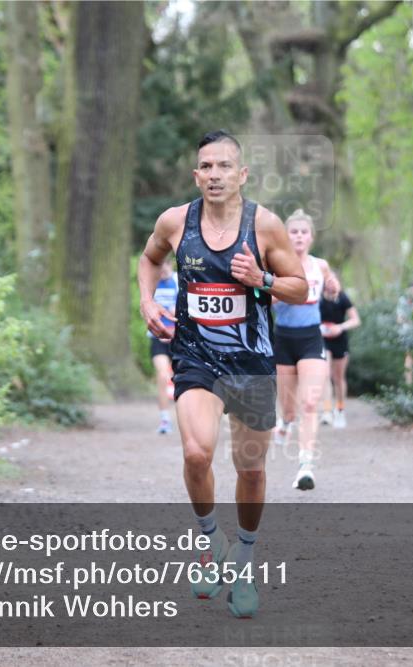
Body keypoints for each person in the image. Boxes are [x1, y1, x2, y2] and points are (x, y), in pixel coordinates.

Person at [137, 130, 307, 618]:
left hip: (251, 363)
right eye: (207, 167)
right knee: (196, 453)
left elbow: (299, 289)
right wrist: (146, 301)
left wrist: (262, 279)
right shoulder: (175, 221)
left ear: (242, 174)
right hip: (195, 357)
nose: (215, 175)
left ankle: (245, 563)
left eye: (225, 166)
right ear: (197, 175)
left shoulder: (265, 225)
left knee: (251, 470)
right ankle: (211, 544)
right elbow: (149, 259)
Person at [271, 209, 339, 491]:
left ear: (311, 237)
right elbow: (265, 300)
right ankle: (285, 421)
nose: (299, 236)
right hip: (284, 339)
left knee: (310, 403)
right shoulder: (277, 265)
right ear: (286, 236)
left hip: (311, 338)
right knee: (289, 409)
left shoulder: (320, 266)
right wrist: (279, 293)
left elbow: (332, 291)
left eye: (304, 232)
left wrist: (332, 289)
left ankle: (305, 465)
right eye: (294, 232)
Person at [319, 280, 361, 429]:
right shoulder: (318, 297)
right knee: (325, 375)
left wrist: (340, 327)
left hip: (340, 341)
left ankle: (340, 409)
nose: (332, 284)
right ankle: (326, 411)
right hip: (323, 340)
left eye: (334, 281)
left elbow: (356, 320)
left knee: (338, 378)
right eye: (329, 281)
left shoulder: (343, 298)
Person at [149, 257, 178, 434]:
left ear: (170, 264)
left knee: (182, 378)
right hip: (158, 338)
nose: (162, 270)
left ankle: (187, 419)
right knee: (162, 374)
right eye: (159, 267)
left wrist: (179, 311)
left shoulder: (178, 280)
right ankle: (165, 419)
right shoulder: (151, 284)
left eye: (165, 266)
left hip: (178, 339)